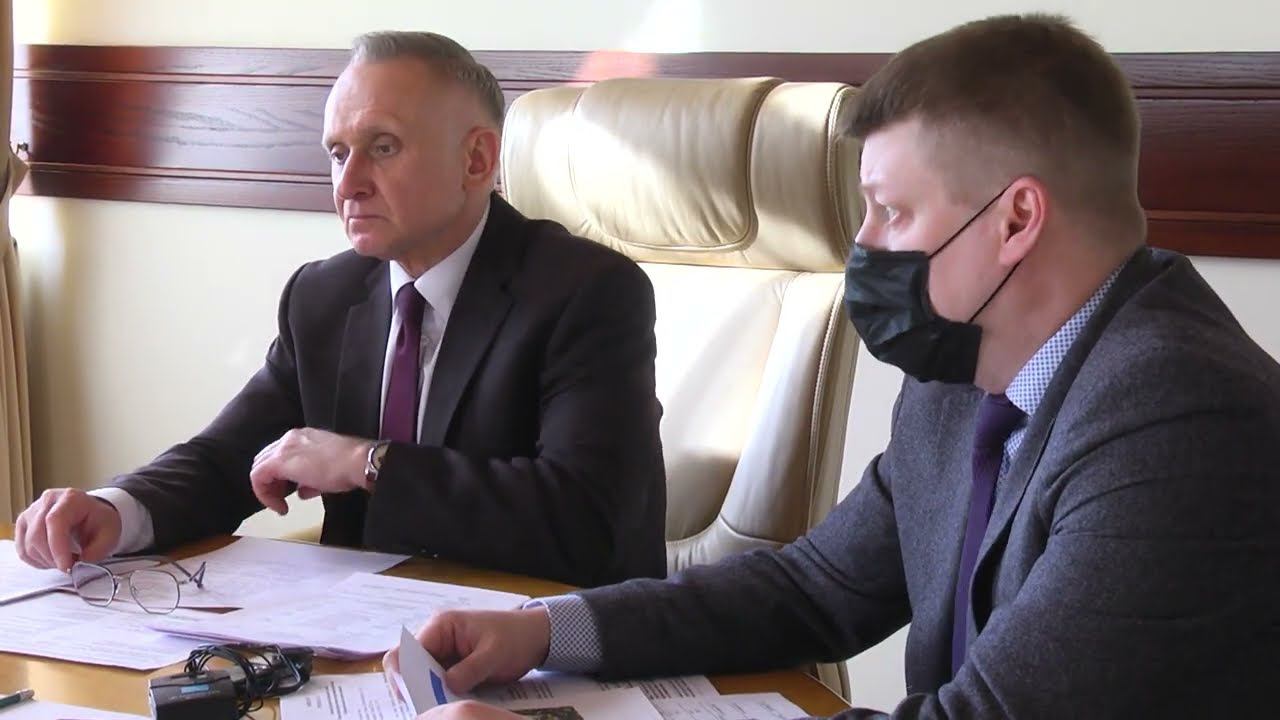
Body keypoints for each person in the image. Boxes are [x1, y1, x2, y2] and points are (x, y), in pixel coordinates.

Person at [384, 14, 1280, 719]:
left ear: (1016, 221)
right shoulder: (960, 375)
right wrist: (545, 631)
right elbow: (813, 587)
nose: (863, 246)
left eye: (891, 211)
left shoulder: (1182, 424)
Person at [13, 31, 667, 588]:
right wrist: (115, 508)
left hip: (538, 645)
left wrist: (366, 464)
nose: (348, 184)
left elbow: (585, 522)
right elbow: (228, 458)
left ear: (476, 159)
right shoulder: (325, 296)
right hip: (357, 642)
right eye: (337, 152)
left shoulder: (587, 292)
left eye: (382, 147)